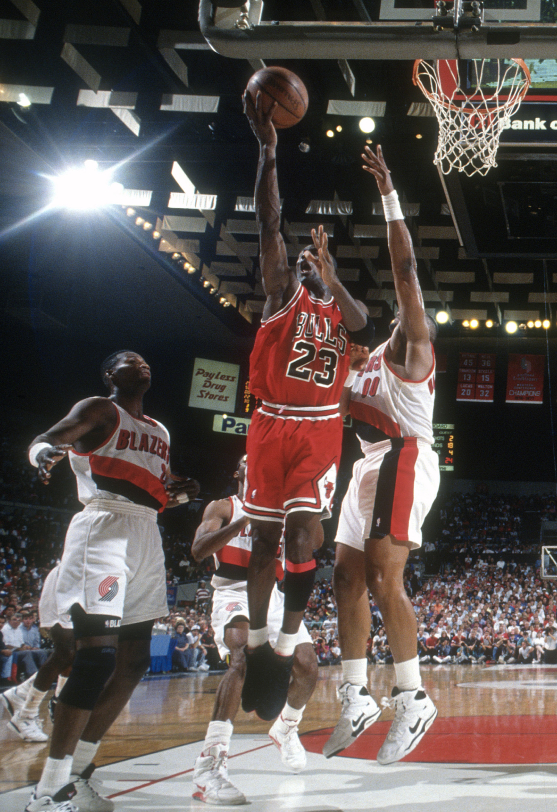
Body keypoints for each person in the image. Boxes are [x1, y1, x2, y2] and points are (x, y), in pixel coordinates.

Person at [238, 86, 373, 724]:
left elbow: (364, 318)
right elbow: (269, 222)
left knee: (305, 533)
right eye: (298, 261)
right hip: (269, 424)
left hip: (319, 429)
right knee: (264, 543)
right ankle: (263, 646)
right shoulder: (280, 297)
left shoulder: (339, 312)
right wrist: (268, 149)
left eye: (309, 261)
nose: (300, 263)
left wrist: (332, 269)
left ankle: (288, 640)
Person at [24, 350, 199, 812]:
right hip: (104, 528)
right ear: (109, 374)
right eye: (128, 359)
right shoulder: (100, 409)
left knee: (135, 660)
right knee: (95, 659)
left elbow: (155, 493)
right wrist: (43, 454)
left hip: (146, 533)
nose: (141, 363)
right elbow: (49, 438)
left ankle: (79, 770)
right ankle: (48, 789)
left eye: (144, 360)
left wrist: (180, 493)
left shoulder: (159, 430)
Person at [323, 145, 440, 764]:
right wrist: (330, 279)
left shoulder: (415, 352)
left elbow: (404, 270)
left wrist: (390, 196)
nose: (404, 314)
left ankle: (413, 697)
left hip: (406, 456)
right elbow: (347, 326)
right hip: (366, 465)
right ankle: (354, 692)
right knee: (344, 576)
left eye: (408, 309)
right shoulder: (359, 367)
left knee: (382, 576)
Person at [189, 456, 319, 804]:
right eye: (250, 461)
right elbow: (199, 550)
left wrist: (311, 502)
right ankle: (210, 765)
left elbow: (316, 541)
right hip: (233, 591)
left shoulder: (282, 511)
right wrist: (244, 521)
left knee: (308, 666)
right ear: (238, 471)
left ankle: (286, 728)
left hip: (272, 596)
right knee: (241, 659)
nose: (260, 464)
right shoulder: (223, 506)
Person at [2, 564, 76, 743]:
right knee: (67, 651)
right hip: (69, 583)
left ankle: (27, 693)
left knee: (79, 653)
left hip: (85, 586)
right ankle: (26, 714)